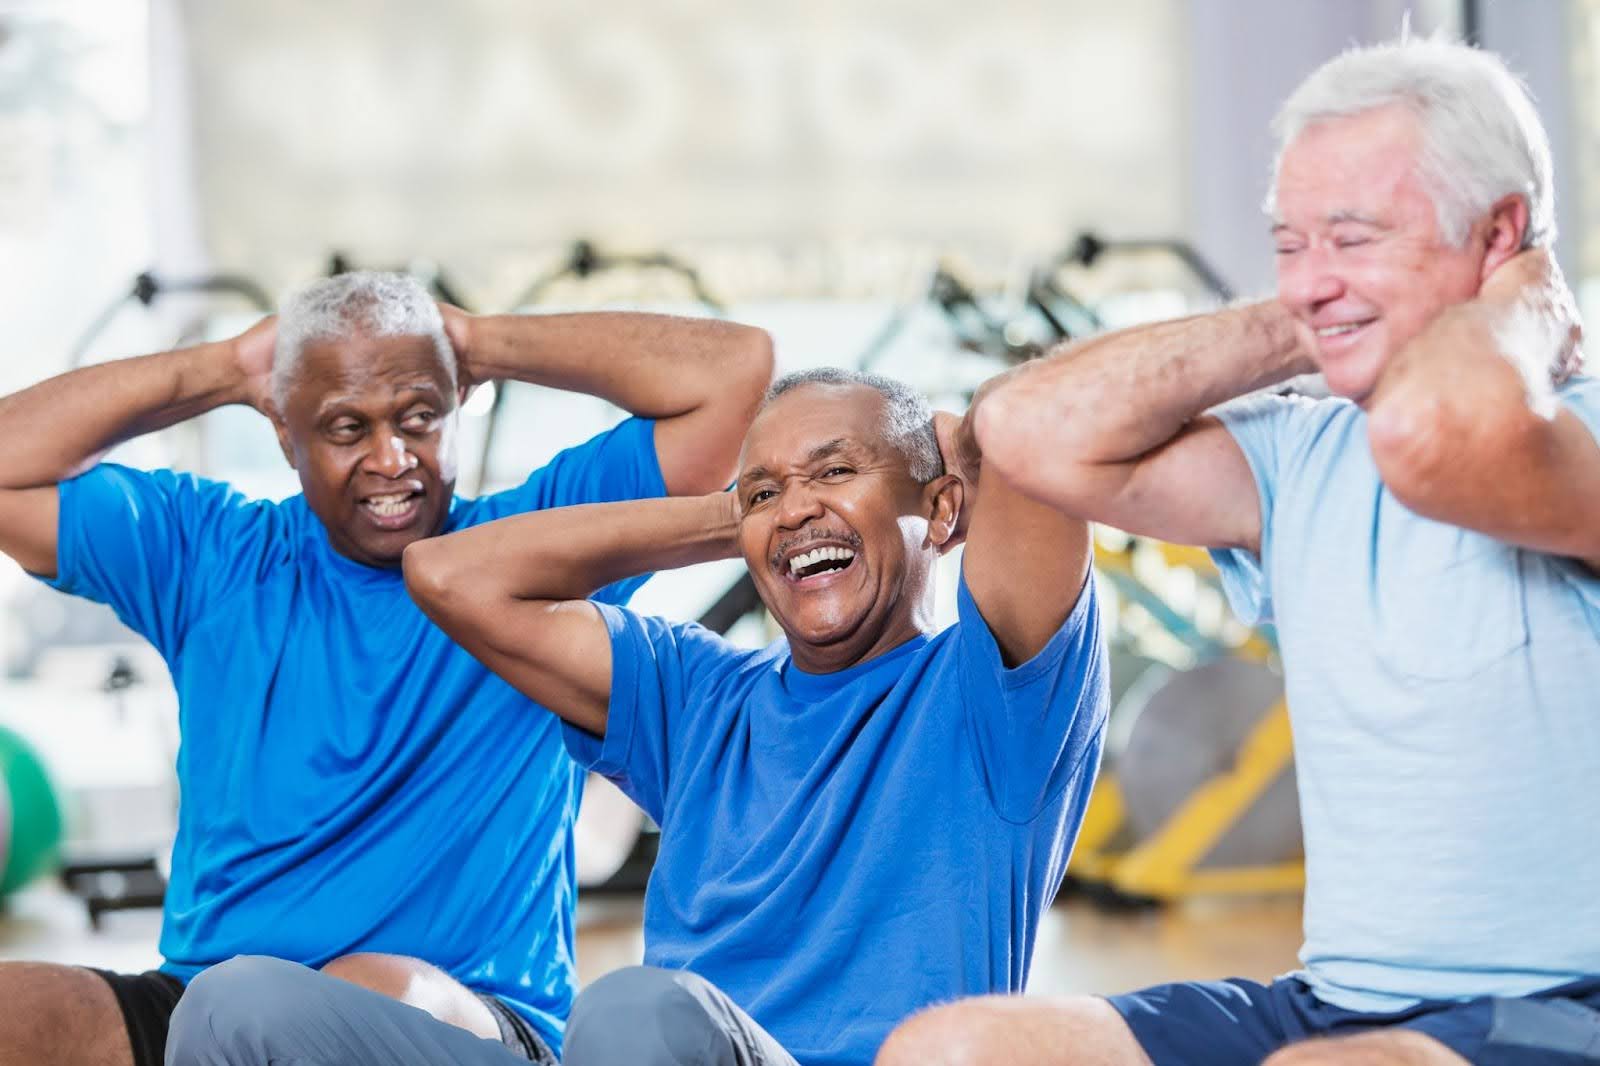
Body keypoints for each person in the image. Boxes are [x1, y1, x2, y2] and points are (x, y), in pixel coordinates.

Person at [875, 36, 1600, 1066]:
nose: (1308, 278)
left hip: (1566, 1008)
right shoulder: (1299, 457)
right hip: (1335, 1007)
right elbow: (1025, 430)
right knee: (951, 1048)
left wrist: (1521, 299)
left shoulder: (1579, 443)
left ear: (1501, 235)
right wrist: (1323, 312)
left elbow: (1440, 435)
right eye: (1288, 243)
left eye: (1350, 236)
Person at [161, 367, 1110, 1066]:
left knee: (632, 1013)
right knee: (234, 1006)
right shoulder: (698, 698)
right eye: (768, 489)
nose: (797, 512)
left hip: (682, 1046)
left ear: (941, 511)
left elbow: (1028, 428)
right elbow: (451, 574)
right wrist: (741, 514)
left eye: (836, 473)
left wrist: (879, 477)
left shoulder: (999, 696)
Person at [0, 270, 773, 1066]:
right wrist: (229, 367)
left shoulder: (533, 554)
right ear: (283, 429)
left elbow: (734, 376)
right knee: (23, 1013)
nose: (392, 459)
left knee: (357, 988)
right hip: (209, 1003)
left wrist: (476, 342)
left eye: (420, 418)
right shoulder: (205, 554)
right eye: (345, 427)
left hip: (457, 1011)